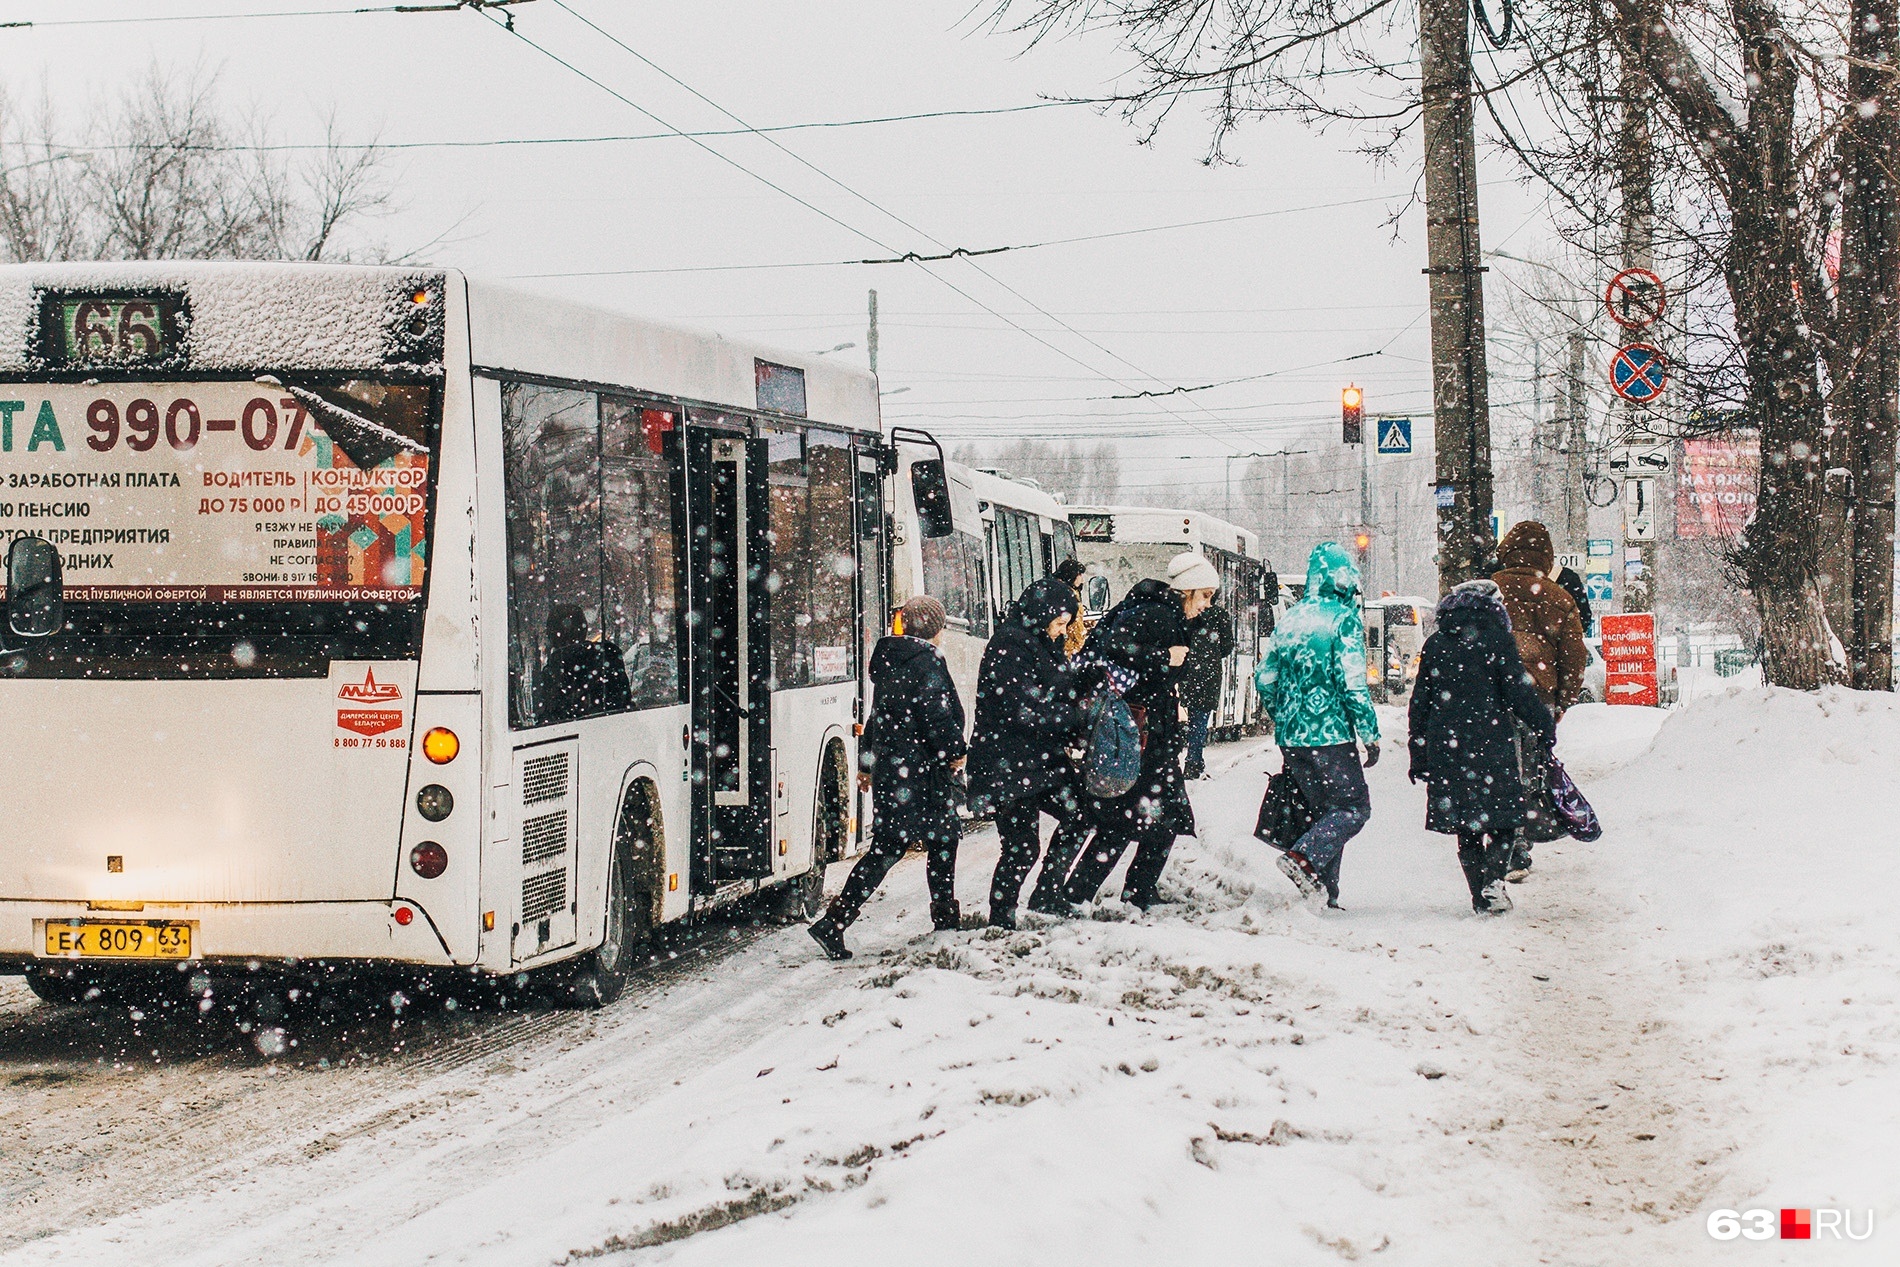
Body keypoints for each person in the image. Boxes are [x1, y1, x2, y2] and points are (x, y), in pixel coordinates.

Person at [808, 596, 966, 960]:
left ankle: (835, 922)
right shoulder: (928, 661)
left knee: (888, 848)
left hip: (896, 773)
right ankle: (945, 923)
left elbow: (877, 717)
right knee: (942, 842)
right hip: (926, 774)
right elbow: (937, 718)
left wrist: (867, 765)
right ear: (936, 629)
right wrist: (955, 751)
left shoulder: (891, 660)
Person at [1057, 551, 1213, 910]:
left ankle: (1124, 890)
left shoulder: (1156, 609)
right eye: (1204, 595)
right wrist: (1164, 658)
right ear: (1187, 591)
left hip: (1145, 735)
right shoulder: (1156, 613)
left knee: (1150, 818)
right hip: (1139, 735)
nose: (1207, 605)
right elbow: (1116, 650)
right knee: (1131, 819)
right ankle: (1093, 892)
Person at [1407, 581, 1555, 915]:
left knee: (1466, 825)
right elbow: (1520, 692)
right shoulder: (1497, 641)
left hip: (1448, 746)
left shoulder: (1435, 644)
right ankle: (1493, 882)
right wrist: (1544, 728)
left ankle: (1479, 897)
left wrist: (1418, 752)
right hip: (1491, 743)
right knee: (1504, 821)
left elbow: (1420, 703)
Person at [1253, 542, 1380, 908]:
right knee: (1353, 808)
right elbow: (1353, 684)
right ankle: (1302, 860)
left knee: (1322, 813)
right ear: (1344, 579)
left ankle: (1325, 895)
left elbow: (1265, 677)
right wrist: (1369, 735)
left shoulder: (1290, 619)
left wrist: (1283, 716)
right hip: (1330, 735)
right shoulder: (1342, 619)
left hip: (1291, 738)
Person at [967, 575, 1089, 929]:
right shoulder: (1009, 645)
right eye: (1060, 622)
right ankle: (1000, 920)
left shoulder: (1041, 643)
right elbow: (1018, 708)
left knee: (1081, 812)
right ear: (1043, 613)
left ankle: (1048, 893)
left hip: (1041, 761)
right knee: (1021, 847)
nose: (1061, 630)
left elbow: (1056, 690)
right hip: (1007, 763)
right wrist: (1071, 718)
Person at [1491, 521, 1588, 880]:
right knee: (1530, 767)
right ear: (1546, 557)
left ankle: (1504, 839)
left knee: (1500, 767)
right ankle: (1520, 843)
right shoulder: (1559, 597)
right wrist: (1563, 701)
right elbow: (1574, 656)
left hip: (1495, 694)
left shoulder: (1492, 592)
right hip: (1539, 695)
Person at [537, 604, 633, 724]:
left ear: (551, 635)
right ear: (584, 629)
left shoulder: (553, 672)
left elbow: (548, 720)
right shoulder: (609, 656)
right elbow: (625, 705)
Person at [1179, 582, 1235, 780]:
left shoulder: (1188, 612)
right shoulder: (1220, 615)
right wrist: (1211, 654)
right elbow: (1228, 645)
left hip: (1186, 667)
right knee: (1201, 717)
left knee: (1190, 713)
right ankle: (1193, 760)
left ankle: (1187, 758)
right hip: (1209, 671)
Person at [1053, 557, 1090, 658]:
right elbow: (1074, 626)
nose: (1082, 580)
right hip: (1068, 649)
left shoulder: (1059, 589)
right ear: (1072, 575)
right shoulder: (1067, 594)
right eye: (1080, 575)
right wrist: (1080, 647)